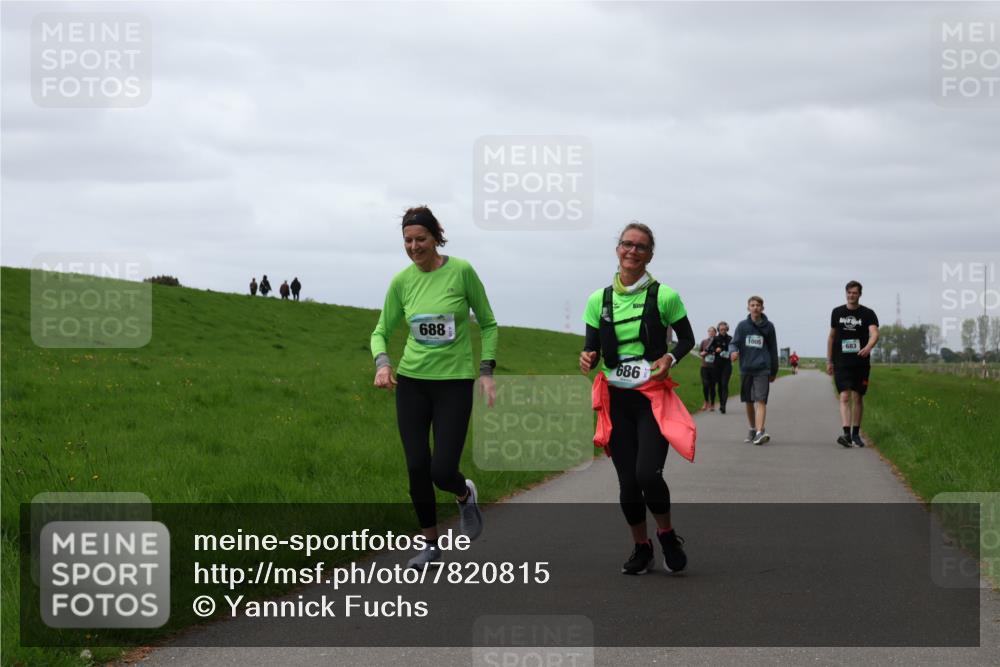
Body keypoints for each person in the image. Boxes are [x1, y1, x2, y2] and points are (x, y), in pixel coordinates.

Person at [371, 206, 498, 570]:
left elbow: (488, 324)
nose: (414, 247)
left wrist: (486, 370)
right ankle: (430, 545)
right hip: (412, 383)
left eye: (421, 239)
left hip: (453, 384)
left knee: (441, 471)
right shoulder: (402, 282)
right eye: (407, 240)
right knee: (416, 466)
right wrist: (383, 363)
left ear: (436, 237)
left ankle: (463, 494)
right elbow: (380, 331)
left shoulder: (462, 271)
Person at [580, 222, 696, 576]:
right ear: (617, 249)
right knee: (628, 481)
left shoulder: (664, 296)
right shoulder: (598, 300)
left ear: (649, 255)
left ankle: (667, 535)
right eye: (626, 244)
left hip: (651, 400)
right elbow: (592, 348)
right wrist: (587, 357)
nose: (632, 251)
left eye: (640, 247)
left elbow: (687, 339)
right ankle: (641, 547)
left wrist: (669, 358)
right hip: (616, 400)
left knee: (648, 474)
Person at [827, 281, 880, 448]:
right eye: (849, 292)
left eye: (855, 293)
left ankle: (856, 433)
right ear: (846, 293)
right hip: (841, 361)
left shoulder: (868, 313)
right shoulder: (837, 312)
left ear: (860, 294)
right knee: (844, 396)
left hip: (860, 362)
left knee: (857, 397)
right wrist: (829, 361)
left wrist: (868, 347)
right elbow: (831, 337)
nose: (851, 295)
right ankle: (846, 434)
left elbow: (874, 333)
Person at [729, 296, 778, 445]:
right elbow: (734, 343)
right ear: (748, 308)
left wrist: (774, 370)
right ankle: (752, 429)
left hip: (762, 368)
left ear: (762, 308)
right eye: (752, 305)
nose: (755, 307)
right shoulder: (742, 326)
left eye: (758, 305)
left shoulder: (769, 327)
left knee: (761, 400)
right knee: (749, 401)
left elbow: (773, 349)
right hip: (746, 368)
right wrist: (733, 351)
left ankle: (759, 432)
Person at [711, 321, 733, 414]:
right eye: (721, 329)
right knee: (719, 385)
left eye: (724, 329)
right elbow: (709, 348)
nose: (723, 331)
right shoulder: (715, 339)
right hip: (717, 365)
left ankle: (723, 405)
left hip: (727, 365)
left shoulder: (730, 339)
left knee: (724, 384)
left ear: (727, 329)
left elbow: (734, 349)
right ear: (718, 330)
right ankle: (721, 403)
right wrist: (715, 349)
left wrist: (730, 352)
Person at [698, 326, 718, 411]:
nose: (711, 333)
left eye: (712, 331)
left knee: (712, 386)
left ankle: (712, 404)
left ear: (715, 333)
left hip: (714, 368)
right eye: (709, 331)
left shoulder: (717, 342)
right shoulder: (704, 342)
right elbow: (700, 352)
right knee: (705, 384)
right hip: (704, 367)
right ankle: (706, 402)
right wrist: (702, 353)